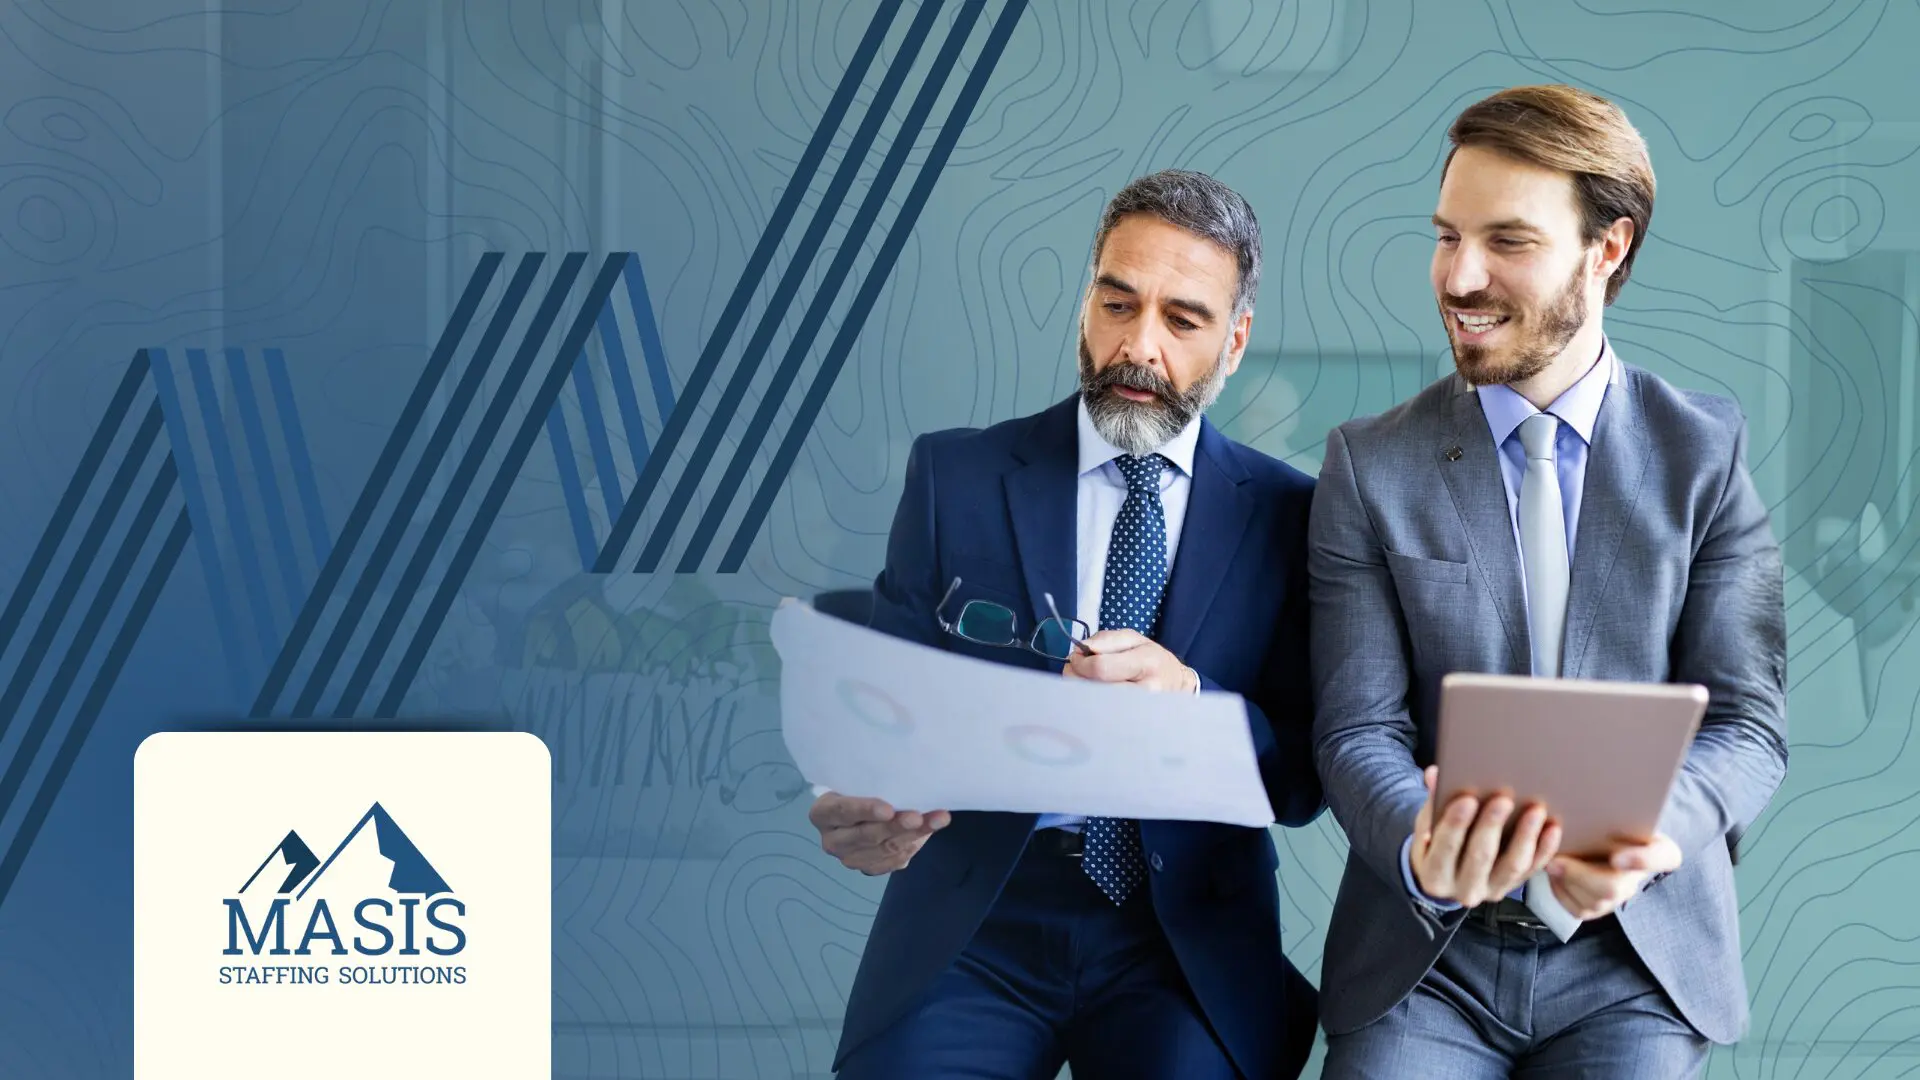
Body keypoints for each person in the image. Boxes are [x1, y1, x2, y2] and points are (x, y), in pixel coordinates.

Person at [1309, 84, 1788, 1078]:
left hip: (1635, 961)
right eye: (1446, 236)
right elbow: (1357, 726)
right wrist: (1419, 848)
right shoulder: (1368, 465)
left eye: (1508, 242)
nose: (1460, 276)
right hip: (1426, 960)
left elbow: (1749, 725)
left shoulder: (1703, 453)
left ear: (1606, 250)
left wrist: (1654, 833)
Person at [812, 170, 1322, 1079]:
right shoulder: (955, 478)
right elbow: (879, 712)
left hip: (1184, 940)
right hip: (979, 918)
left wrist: (1194, 705)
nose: (1138, 347)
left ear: (1235, 341)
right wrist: (866, 802)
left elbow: (1306, 778)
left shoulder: (1295, 515)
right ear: (1086, 301)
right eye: (1116, 303)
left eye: (1183, 320)